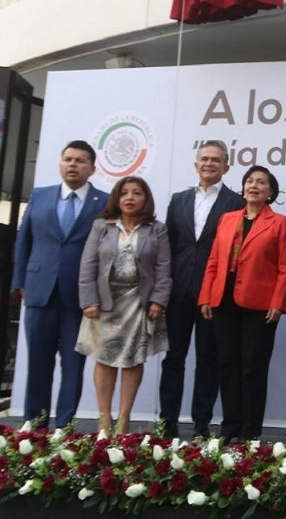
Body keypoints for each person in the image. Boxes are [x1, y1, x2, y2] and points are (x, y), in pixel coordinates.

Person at [12, 140, 108, 428]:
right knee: (38, 364)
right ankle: (35, 425)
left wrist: (99, 295)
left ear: (92, 168)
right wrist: (19, 282)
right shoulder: (39, 196)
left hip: (79, 298)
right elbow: (24, 241)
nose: (73, 164)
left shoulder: (103, 202)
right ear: (60, 163)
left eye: (80, 161)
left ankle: (64, 427)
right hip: (39, 291)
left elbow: (107, 251)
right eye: (68, 159)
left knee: (73, 365)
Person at [199, 165, 286, 442]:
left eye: (261, 182)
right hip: (223, 300)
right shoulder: (227, 219)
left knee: (253, 366)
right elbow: (214, 260)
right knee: (227, 364)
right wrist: (206, 295)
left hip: (260, 305)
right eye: (249, 181)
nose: (254, 186)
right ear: (243, 189)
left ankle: (250, 431)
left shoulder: (280, 223)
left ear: (270, 192)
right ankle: (230, 428)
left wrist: (278, 302)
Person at [159, 140, 244, 438]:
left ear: (226, 167)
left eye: (216, 160)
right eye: (204, 159)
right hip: (178, 289)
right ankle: (166, 421)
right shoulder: (178, 199)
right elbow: (167, 247)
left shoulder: (236, 202)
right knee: (173, 358)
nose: (209, 164)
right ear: (196, 164)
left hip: (214, 292)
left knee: (209, 360)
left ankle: (201, 423)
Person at [76, 176, 171, 434]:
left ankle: (123, 419)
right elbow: (88, 265)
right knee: (104, 359)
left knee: (132, 360)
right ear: (117, 199)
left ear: (146, 199)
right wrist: (89, 301)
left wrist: (158, 301)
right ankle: (104, 419)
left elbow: (164, 268)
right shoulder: (101, 227)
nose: (130, 197)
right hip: (104, 304)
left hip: (138, 304)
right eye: (124, 193)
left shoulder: (157, 229)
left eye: (136, 193)